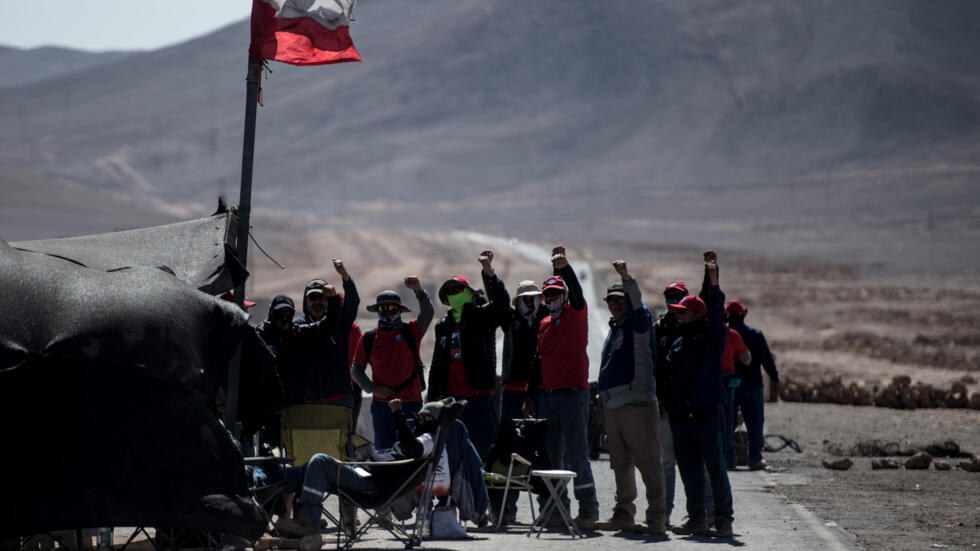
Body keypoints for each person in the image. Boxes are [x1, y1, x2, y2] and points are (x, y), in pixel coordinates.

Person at [273, 398, 452, 538]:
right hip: (368, 476)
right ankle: (272, 489)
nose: (418, 421)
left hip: (371, 486)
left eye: (422, 418)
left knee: (320, 461)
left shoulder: (429, 440)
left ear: (430, 419)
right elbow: (407, 448)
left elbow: (412, 448)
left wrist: (398, 415)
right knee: (305, 470)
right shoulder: (425, 438)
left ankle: (307, 521)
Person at [524, 246, 600, 530]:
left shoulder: (575, 315)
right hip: (548, 397)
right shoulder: (544, 324)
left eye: (557, 293)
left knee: (577, 454)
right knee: (551, 455)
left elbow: (578, 294)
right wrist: (530, 396)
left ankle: (588, 510)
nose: (553, 298)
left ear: (564, 296)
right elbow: (538, 361)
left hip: (572, 394)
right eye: (549, 295)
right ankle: (556, 510)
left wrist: (563, 269)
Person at [661, 250, 734, 538]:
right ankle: (697, 519)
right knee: (689, 470)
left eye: (682, 311)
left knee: (715, 468)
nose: (676, 314)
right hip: (682, 417)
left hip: (706, 414)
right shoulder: (678, 341)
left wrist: (712, 278)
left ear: (696, 314)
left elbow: (714, 309)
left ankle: (724, 519)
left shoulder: (711, 337)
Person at [594, 260, 666, 534]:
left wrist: (626, 278)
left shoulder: (640, 323)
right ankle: (624, 514)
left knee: (648, 461)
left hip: (637, 403)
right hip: (614, 406)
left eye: (620, 300)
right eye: (611, 302)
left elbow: (636, 301)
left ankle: (657, 518)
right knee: (621, 464)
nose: (616, 305)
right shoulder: (616, 328)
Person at [427, 250, 509, 460]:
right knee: (452, 454)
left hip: (478, 398)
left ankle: (488, 493)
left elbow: (501, 307)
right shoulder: (442, 326)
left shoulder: (481, 317)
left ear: (469, 293)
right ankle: (454, 494)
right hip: (451, 403)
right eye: (451, 291)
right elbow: (437, 364)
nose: (455, 293)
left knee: (485, 452)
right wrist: (432, 397)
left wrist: (489, 273)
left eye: (459, 289)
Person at [350, 277, 435, 449]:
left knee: (412, 452)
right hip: (382, 407)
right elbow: (356, 370)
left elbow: (427, 314)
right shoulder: (368, 338)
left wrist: (419, 291)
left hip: (411, 403)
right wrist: (373, 388)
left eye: (390, 307)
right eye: (382, 308)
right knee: (384, 452)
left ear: (399, 310)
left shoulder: (411, 332)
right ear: (377, 311)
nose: (386, 311)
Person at [489, 279, 547, 526]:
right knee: (508, 451)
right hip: (512, 392)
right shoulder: (510, 321)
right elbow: (499, 302)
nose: (529, 302)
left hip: (541, 392)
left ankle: (549, 509)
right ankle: (506, 509)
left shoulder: (547, 319)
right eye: (524, 298)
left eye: (533, 298)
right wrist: (490, 275)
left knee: (543, 450)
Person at [726, 300, 779, 471]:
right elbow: (767, 359)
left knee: (728, 422)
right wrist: (775, 378)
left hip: (730, 386)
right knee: (755, 423)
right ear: (744, 314)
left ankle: (728, 458)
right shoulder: (755, 335)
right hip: (752, 385)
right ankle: (755, 458)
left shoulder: (724, 335)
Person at [653, 280, 687, 526]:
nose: (673, 301)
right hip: (665, 403)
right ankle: (664, 511)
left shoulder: (695, 326)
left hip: (690, 405)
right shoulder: (660, 327)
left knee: (694, 459)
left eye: (678, 296)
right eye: (670, 297)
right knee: (667, 460)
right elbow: (653, 363)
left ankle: (701, 511)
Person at [720, 324, 751, 469]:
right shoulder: (732, 335)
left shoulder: (705, 333)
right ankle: (728, 458)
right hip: (727, 381)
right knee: (728, 420)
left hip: (708, 380)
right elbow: (746, 359)